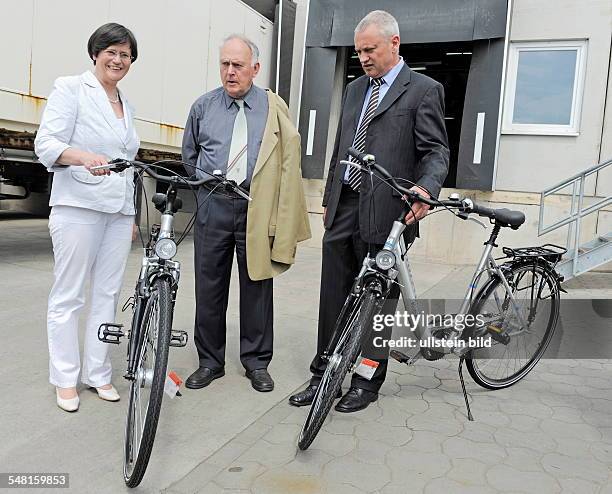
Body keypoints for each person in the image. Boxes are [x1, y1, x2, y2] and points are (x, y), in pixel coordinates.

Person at [289, 10, 449, 412]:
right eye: (358, 50)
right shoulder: (357, 88)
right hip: (345, 205)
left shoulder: (424, 90)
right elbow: (343, 148)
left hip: (390, 213)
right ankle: (324, 372)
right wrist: (329, 198)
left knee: (379, 301)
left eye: (370, 49)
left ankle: (365, 381)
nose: (362, 57)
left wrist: (425, 190)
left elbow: (436, 151)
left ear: (394, 43)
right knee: (333, 294)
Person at [182, 35, 310, 393]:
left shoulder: (273, 108)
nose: (230, 71)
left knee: (257, 285)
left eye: (237, 65)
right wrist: (205, 190)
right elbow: (188, 157)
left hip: (256, 204)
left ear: (255, 68)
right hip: (213, 205)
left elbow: (288, 158)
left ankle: (256, 363)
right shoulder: (203, 107)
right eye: (224, 64)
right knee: (209, 288)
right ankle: (210, 361)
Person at [34, 23, 140, 412]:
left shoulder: (126, 104)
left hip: (116, 212)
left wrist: (130, 214)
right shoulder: (70, 88)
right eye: (111, 51)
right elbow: (46, 144)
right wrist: (83, 157)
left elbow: (128, 164)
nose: (117, 59)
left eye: (125, 55)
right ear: (95, 53)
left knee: (108, 294)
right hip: (78, 206)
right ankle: (65, 378)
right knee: (70, 294)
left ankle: (97, 372)